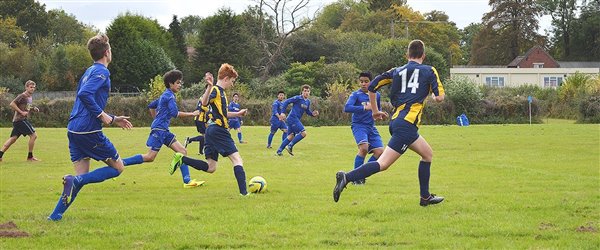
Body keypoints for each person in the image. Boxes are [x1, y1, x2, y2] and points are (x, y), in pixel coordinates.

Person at [333, 40, 446, 206]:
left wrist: (375, 111)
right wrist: (430, 95)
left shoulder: (396, 71)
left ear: (407, 55)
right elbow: (440, 98)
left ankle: (425, 197)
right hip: (407, 125)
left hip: (398, 122)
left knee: (427, 154)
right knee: (383, 164)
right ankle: (347, 177)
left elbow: (371, 87)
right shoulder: (430, 70)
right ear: (423, 55)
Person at [48, 34, 133, 221]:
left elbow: (85, 97)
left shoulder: (89, 71)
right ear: (107, 52)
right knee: (118, 168)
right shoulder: (103, 72)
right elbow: (86, 94)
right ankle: (74, 181)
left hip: (74, 130)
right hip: (89, 131)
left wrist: (113, 118)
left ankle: (55, 215)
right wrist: (103, 116)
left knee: (81, 177)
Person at [171, 63, 250, 196]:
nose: (232, 84)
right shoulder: (216, 90)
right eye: (232, 81)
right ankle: (244, 194)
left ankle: (182, 159)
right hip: (219, 130)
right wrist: (209, 86)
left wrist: (237, 114)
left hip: (211, 131)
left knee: (211, 167)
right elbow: (205, 102)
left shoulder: (221, 93)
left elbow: (223, 113)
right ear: (226, 78)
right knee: (237, 160)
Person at [122, 70, 206, 188]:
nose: (180, 85)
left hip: (163, 129)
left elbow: (151, 105)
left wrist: (156, 119)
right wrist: (192, 114)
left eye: (180, 83)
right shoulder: (170, 96)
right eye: (177, 83)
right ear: (170, 84)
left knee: (182, 151)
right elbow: (174, 113)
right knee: (150, 157)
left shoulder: (165, 95)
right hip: (160, 130)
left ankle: (187, 181)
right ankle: (120, 163)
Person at [343, 72, 384, 185]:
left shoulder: (377, 95)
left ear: (371, 82)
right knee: (364, 148)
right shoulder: (356, 95)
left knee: (380, 152)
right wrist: (364, 107)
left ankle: (362, 174)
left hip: (371, 127)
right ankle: (356, 179)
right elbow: (347, 107)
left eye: (366, 81)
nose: (363, 84)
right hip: (359, 125)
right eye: (361, 81)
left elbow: (376, 110)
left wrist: (380, 115)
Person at [0, 80, 41, 162]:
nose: (32, 89)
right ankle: (30, 157)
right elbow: (12, 104)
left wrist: (33, 108)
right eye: (31, 87)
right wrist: (21, 112)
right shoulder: (22, 96)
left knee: (13, 139)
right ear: (26, 87)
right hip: (20, 120)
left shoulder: (29, 97)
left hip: (18, 121)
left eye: (33, 87)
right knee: (33, 136)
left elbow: (27, 106)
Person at [275, 85, 319, 156]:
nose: (306, 93)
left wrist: (312, 114)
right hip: (293, 118)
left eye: (308, 91)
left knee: (291, 136)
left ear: (310, 92)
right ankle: (289, 146)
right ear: (302, 92)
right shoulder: (298, 98)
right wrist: (282, 112)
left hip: (294, 119)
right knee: (303, 133)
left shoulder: (307, 102)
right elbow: (286, 102)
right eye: (305, 91)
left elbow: (307, 111)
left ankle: (279, 151)